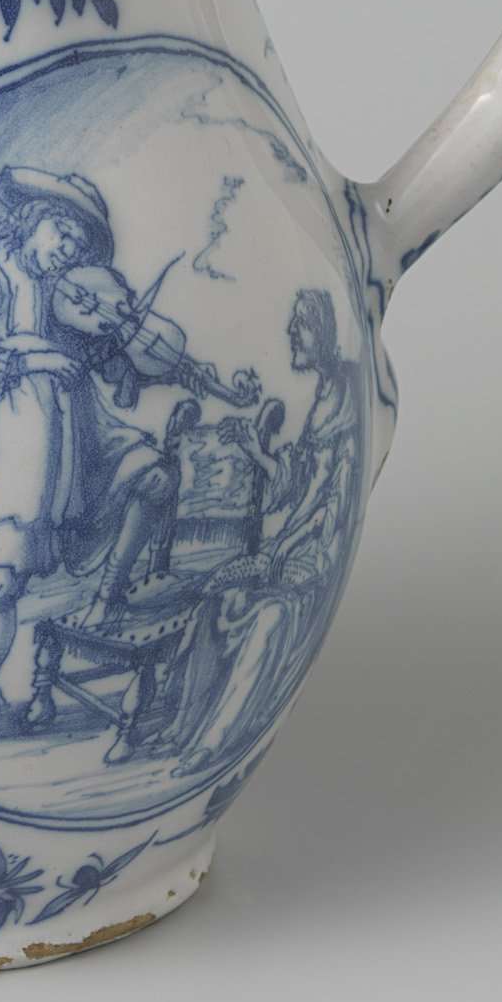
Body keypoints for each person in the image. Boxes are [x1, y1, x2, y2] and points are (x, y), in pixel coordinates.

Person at [0, 167, 180, 741]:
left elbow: (96, 350)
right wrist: (31, 359)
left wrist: (120, 361)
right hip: (17, 447)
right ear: (33, 220)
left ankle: (108, 598)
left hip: (82, 439)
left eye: (79, 245)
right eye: (64, 235)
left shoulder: (63, 291)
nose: (69, 252)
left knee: (154, 476)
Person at [152, 284, 362, 773]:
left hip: (311, 556)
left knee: (267, 618)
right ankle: (181, 727)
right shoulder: (322, 396)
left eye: (300, 325)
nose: (290, 332)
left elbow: (333, 501)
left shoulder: (346, 397)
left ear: (322, 332)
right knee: (213, 600)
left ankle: (213, 743)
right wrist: (254, 449)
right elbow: (295, 484)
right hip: (287, 549)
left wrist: (287, 549)